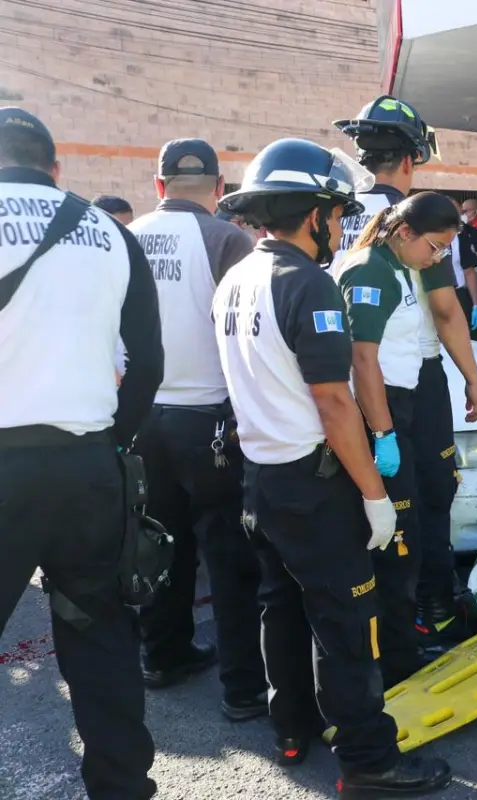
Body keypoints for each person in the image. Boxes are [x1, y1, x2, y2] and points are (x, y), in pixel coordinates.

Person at [214, 137, 451, 795]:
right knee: (347, 623)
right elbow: (333, 402)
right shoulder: (305, 281)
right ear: (315, 213)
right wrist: (375, 494)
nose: (342, 227)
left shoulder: (238, 277)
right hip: (311, 485)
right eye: (338, 215)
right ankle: (369, 760)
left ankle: (290, 730)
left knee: (280, 609)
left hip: (260, 478)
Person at [0, 107, 162, 799]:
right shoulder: (106, 230)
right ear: (55, 167)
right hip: (90, 468)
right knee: (100, 641)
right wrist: (113, 440)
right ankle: (122, 786)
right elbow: (149, 362)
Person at [333, 96, 477, 659]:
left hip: (346, 384)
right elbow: (446, 311)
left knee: (373, 506)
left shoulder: (335, 208)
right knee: (425, 499)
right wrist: (472, 377)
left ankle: (381, 627)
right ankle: (431, 615)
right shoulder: (419, 218)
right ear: (411, 158)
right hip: (406, 378)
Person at [127, 138, 267, 720]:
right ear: (218, 187)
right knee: (227, 553)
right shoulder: (226, 238)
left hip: (142, 418)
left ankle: (163, 654)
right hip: (208, 418)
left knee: (160, 541)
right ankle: (242, 688)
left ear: (158, 186)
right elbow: (244, 334)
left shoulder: (124, 236)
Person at [336, 192, 463, 686]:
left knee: (408, 527)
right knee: (395, 535)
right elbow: (362, 360)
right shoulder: (369, 270)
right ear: (405, 232)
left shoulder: (402, 266)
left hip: (402, 399)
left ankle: (404, 638)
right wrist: (384, 432)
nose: (437, 258)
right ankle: (393, 657)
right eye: (434, 246)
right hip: (379, 408)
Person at [449, 197, 477, 330]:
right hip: (434, 295)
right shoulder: (424, 236)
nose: (461, 215)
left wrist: (475, 304)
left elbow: (469, 271)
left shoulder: (462, 236)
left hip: (459, 295)